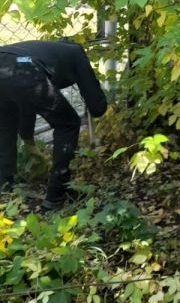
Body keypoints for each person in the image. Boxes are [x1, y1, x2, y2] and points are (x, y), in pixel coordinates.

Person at [0, 39, 108, 210]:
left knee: (6, 125)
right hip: (25, 70)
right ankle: (56, 195)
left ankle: (5, 187)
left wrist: (28, 140)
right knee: (68, 123)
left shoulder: (41, 49)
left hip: (8, 65)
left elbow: (25, 99)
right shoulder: (76, 52)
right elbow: (97, 107)